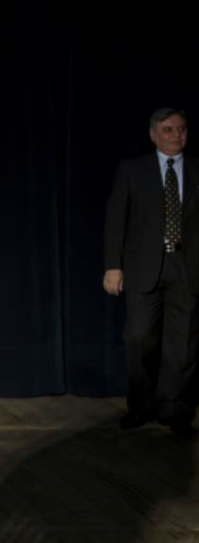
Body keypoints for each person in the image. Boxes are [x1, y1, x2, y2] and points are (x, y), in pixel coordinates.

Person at [103, 107, 197, 437]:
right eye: (168, 129)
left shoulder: (197, 169)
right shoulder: (133, 170)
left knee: (182, 344)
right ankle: (141, 405)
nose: (176, 135)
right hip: (143, 268)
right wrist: (113, 266)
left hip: (187, 266)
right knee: (139, 338)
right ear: (153, 134)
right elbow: (116, 219)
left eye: (181, 129)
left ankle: (175, 408)